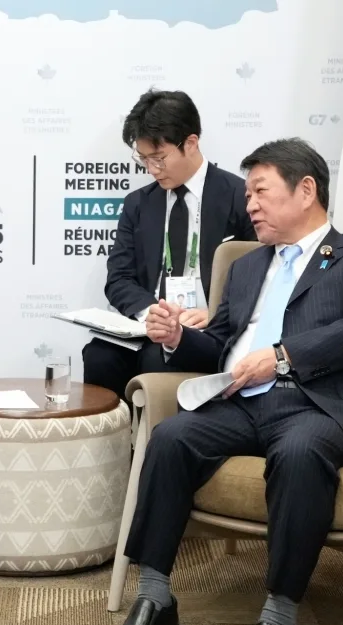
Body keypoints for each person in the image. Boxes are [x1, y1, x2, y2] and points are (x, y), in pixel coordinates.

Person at [96, 138, 343, 625]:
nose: (250, 204)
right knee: (170, 438)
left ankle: (278, 624)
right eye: (249, 193)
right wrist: (177, 337)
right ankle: (154, 601)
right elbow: (218, 347)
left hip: (316, 405)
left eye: (260, 191)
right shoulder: (245, 265)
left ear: (306, 190)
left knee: (300, 452)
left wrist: (284, 356)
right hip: (240, 402)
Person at [83, 89, 257, 402]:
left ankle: (155, 446)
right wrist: (154, 313)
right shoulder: (138, 204)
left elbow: (260, 276)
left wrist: (216, 312)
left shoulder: (239, 197)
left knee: (158, 358)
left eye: (159, 158)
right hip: (149, 326)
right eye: (144, 159)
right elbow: (119, 279)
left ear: (190, 143)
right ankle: (115, 448)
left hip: (208, 328)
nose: (151, 169)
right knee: (99, 356)